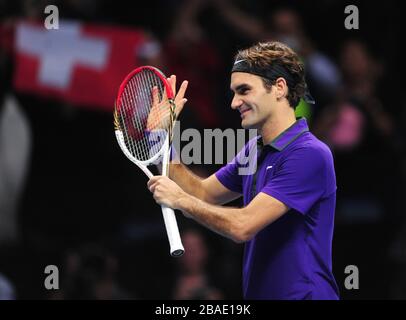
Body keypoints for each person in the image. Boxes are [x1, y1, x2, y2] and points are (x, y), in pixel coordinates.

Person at [147, 41, 339, 300]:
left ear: (279, 88)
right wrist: (161, 139)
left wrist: (180, 200)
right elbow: (203, 193)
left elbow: (243, 226)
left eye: (244, 90)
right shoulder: (253, 150)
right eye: (234, 92)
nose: (234, 103)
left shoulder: (310, 154)